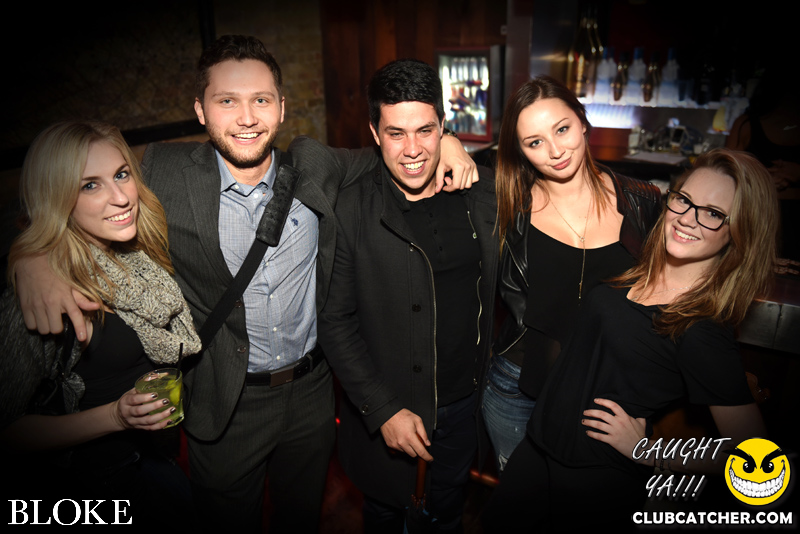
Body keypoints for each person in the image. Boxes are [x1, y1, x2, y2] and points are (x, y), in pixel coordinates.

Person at [11, 36, 479, 532]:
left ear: (282, 107)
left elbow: (398, 148)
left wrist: (449, 139)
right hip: (225, 402)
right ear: (200, 109)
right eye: (227, 101)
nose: (247, 117)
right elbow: (64, 194)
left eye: (260, 99)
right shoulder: (165, 173)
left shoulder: (315, 164)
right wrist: (30, 256)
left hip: (312, 395)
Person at [482, 148, 777, 531]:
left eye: (713, 213)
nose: (688, 219)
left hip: (593, 480)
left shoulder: (702, 328)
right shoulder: (640, 270)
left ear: (740, 231)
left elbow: (759, 457)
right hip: (538, 450)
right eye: (684, 200)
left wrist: (651, 451)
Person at [317, 59, 498, 533]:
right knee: (386, 515)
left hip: (465, 407)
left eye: (425, 131)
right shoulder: (351, 208)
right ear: (374, 133)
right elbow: (334, 322)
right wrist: (383, 410)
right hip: (392, 411)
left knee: (447, 515)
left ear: (444, 127)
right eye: (396, 133)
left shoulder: (478, 193)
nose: (413, 150)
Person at [1, 121, 201, 516]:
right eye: (90, 185)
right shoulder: (44, 293)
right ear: (56, 197)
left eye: (121, 175)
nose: (121, 198)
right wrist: (115, 416)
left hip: (155, 460)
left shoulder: (137, 255)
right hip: (94, 484)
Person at [482, 75, 661, 473]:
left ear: (582, 121)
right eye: (535, 142)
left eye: (561, 129)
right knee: (524, 502)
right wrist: (448, 144)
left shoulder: (643, 201)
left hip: (605, 399)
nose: (555, 151)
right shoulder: (506, 205)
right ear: (521, 151)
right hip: (517, 391)